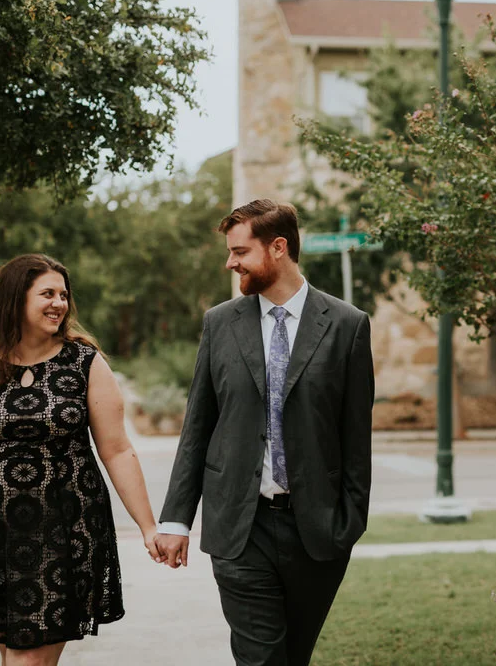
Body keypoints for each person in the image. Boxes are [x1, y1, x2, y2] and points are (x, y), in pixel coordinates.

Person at [155, 199, 375, 666]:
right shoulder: (220, 323)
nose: (230, 262)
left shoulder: (347, 326)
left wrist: (348, 522)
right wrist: (176, 519)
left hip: (316, 531)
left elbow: (356, 438)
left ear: (279, 247)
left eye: (240, 251)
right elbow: (198, 424)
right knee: (260, 659)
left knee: (294, 656)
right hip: (240, 526)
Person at [0, 253, 162, 665]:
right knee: (19, 659)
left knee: (28, 661)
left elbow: (117, 450)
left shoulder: (85, 363)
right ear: (15, 300)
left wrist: (148, 526)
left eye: (63, 294)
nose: (59, 303)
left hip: (67, 533)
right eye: (47, 294)